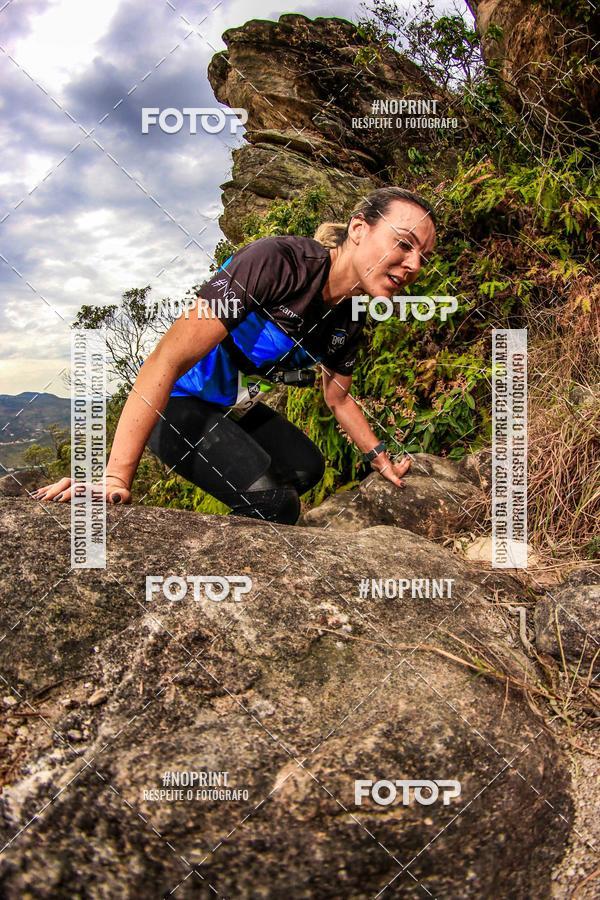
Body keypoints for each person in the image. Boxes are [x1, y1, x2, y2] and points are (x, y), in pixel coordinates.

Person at [33, 186, 436, 525]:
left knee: (307, 468)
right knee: (276, 503)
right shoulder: (278, 263)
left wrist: (381, 459)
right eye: (404, 243)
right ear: (360, 228)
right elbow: (165, 360)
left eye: (423, 256)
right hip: (175, 402)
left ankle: (246, 521)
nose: (414, 264)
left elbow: (339, 397)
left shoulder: (350, 316)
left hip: (231, 407)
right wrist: (115, 476)